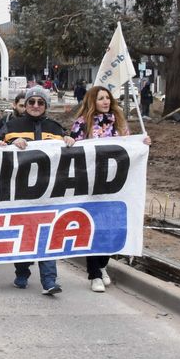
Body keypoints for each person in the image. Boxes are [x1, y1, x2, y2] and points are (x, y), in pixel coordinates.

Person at [69, 85, 151, 293]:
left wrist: (142, 143)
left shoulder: (120, 124)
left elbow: (129, 150)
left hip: (115, 186)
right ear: (92, 102)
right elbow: (73, 151)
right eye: (100, 99)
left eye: (107, 98)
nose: (105, 102)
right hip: (91, 186)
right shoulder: (82, 124)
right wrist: (69, 141)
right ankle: (94, 274)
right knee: (93, 229)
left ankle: (103, 264)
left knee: (111, 228)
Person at [2, 86, 72, 295]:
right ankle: (22, 271)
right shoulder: (12, 125)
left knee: (46, 235)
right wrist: (13, 142)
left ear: (46, 106)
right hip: (20, 191)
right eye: (31, 102)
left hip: (49, 192)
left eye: (40, 103)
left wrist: (69, 141)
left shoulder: (56, 128)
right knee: (24, 235)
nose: (35, 106)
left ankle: (49, 281)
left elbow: (68, 155)